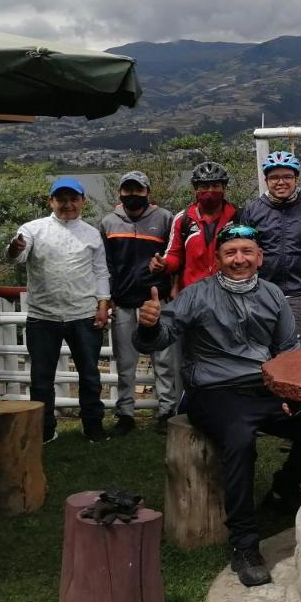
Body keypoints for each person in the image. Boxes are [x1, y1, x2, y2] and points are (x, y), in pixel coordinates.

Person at [134, 223, 301, 588]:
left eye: (247, 252)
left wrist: (290, 394)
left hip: (264, 387)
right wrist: (148, 326)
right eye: (231, 253)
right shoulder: (196, 295)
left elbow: (288, 350)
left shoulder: (272, 294)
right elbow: (159, 338)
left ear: (259, 257)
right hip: (214, 391)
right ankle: (244, 544)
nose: (240, 260)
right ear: (217, 259)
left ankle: (284, 489)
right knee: (240, 441)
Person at [6, 176, 111, 443]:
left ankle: (93, 427)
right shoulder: (31, 229)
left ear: (82, 202)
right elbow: (17, 256)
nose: (67, 204)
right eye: (61, 199)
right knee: (41, 379)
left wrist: (103, 304)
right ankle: (43, 430)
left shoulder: (91, 234)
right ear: (51, 201)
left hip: (84, 315)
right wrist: (14, 248)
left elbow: (100, 272)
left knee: (90, 376)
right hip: (43, 317)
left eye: (73, 199)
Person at [100, 170, 178, 436]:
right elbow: (104, 265)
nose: (133, 195)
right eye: (128, 190)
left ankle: (167, 411)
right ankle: (125, 413)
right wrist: (106, 297)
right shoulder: (108, 222)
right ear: (120, 193)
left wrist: (173, 285)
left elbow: (176, 257)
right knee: (125, 363)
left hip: (158, 301)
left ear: (148, 193)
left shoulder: (165, 218)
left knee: (164, 360)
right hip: (123, 302)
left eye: (138, 190)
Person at [240, 150, 301, 346]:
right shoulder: (254, 209)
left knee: (293, 349)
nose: (280, 182)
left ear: (296, 179)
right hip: (261, 292)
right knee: (261, 349)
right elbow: (245, 254)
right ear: (266, 181)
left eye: (287, 177)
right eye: (274, 177)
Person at [152, 161, 238, 292]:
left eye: (215, 185)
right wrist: (164, 264)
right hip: (193, 295)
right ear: (196, 189)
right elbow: (174, 255)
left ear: (224, 188)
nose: (210, 191)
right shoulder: (183, 219)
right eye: (204, 186)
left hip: (230, 292)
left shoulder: (237, 217)